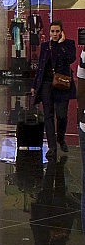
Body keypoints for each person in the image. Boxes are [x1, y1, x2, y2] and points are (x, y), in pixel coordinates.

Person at [32, 20, 75, 160]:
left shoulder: (68, 44)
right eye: (52, 31)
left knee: (61, 115)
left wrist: (61, 44)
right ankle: (52, 147)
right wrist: (34, 86)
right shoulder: (45, 46)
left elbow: (70, 59)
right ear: (49, 32)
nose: (55, 34)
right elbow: (40, 67)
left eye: (57, 31)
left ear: (61, 32)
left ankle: (61, 138)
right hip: (46, 84)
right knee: (48, 115)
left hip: (62, 84)